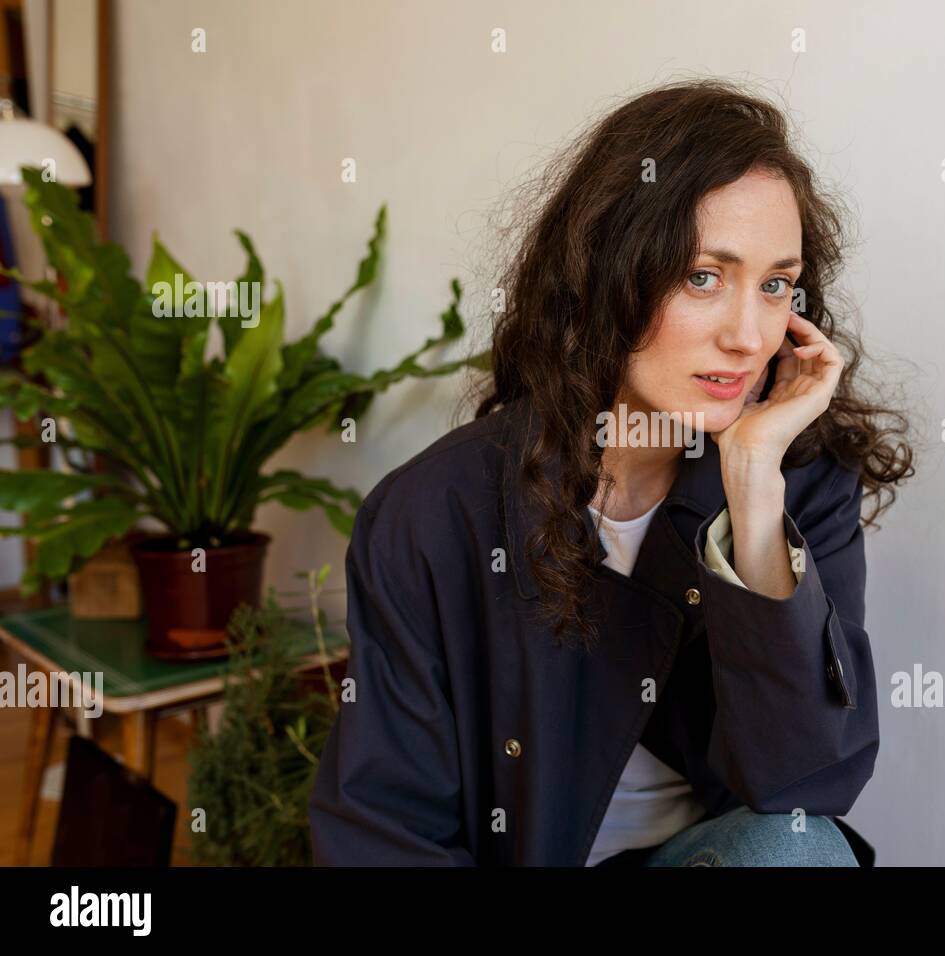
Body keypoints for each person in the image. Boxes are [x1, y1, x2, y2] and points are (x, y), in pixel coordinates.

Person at [308, 77, 914, 866]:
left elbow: (806, 784)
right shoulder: (435, 511)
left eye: (775, 286)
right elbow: (384, 831)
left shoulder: (799, 478)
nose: (747, 334)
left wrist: (754, 502)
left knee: (795, 848)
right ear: (606, 274)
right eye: (702, 276)